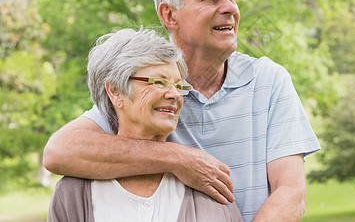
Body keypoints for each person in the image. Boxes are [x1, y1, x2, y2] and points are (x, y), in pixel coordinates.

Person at [43, 0, 321, 222]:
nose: (229, 8)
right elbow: (59, 152)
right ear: (170, 15)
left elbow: (291, 193)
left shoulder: (269, 80)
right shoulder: (143, 89)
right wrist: (180, 158)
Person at [47, 27, 244, 221]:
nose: (175, 94)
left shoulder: (209, 185)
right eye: (159, 82)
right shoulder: (72, 194)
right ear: (115, 92)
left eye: (178, 85)